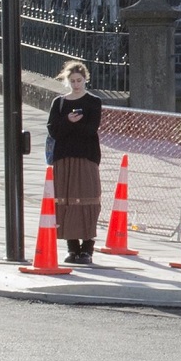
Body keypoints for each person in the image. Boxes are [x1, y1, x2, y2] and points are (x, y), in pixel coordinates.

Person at [47, 61, 106, 265]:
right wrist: (67, 121)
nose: (76, 84)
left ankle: (87, 249)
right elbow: (53, 129)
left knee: (88, 199)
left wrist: (72, 125)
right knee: (66, 200)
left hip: (87, 156)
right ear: (67, 81)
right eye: (72, 81)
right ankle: (72, 248)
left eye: (79, 80)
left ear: (85, 79)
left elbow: (92, 129)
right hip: (64, 157)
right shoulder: (59, 103)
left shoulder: (93, 102)